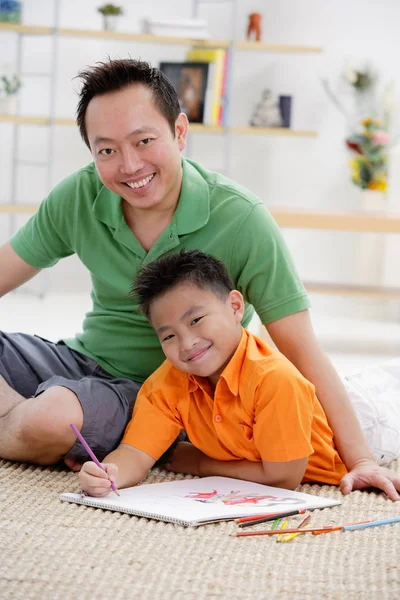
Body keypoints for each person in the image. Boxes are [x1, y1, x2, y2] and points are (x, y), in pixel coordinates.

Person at [0, 58, 398, 499]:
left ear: (180, 132)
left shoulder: (241, 219)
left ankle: (30, 424)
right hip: (78, 361)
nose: (129, 165)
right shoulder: (80, 194)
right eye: (107, 150)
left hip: (160, 393)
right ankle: (22, 425)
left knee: (52, 419)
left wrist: (361, 459)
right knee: (41, 415)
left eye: (144, 140)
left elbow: (301, 349)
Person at [78, 250, 400, 497]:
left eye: (195, 320)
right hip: (316, 402)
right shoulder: (168, 382)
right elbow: (136, 452)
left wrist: (200, 463)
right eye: (168, 336)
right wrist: (110, 473)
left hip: (367, 422)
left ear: (235, 307)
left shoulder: (275, 380)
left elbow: (283, 478)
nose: (187, 343)